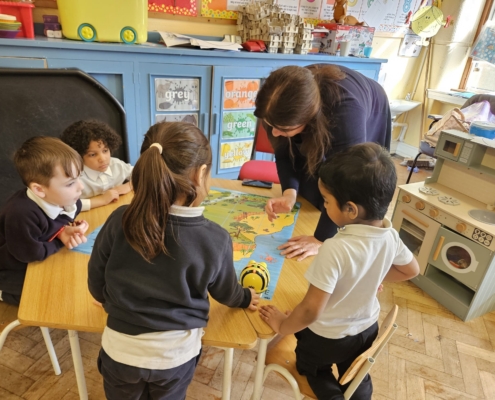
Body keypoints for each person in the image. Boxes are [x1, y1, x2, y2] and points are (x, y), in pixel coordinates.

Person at [88, 122, 260, 400]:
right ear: (200, 174)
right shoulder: (216, 239)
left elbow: (96, 277)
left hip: (119, 351)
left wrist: (106, 299)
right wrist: (244, 297)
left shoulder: (119, 219)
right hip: (175, 358)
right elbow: (226, 291)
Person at [259, 143, 419, 400]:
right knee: (355, 374)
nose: (324, 206)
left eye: (326, 201)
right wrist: (371, 277)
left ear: (351, 209)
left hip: (326, 340)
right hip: (367, 330)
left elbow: (310, 311)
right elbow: (411, 270)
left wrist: (283, 325)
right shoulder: (390, 236)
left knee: (313, 369)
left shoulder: (334, 249)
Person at [254, 64, 391, 260]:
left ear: (308, 117)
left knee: (348, 186)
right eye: (270, 125)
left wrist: (321, 239)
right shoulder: (277, 105)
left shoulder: (346, 113)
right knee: (310, 186)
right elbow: (284, 152)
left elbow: (344, 179)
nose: (274, 133)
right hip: (318, 108)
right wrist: (289, 193)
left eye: (283, 128)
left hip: (368, 106)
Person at [0, 137, 88, 306]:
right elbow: (31, 254)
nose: (81, 187)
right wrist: (60, 241)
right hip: (10, 265)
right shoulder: (20, 214)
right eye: (70, 183)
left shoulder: (69, 202)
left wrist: (63, 231)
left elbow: (54, 224)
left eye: (79, 177)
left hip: (30, 249)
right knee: (38, 296)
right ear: (39, 190)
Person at [60, 120, 133, 211]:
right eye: (93, 155)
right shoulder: (74, 177)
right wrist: (102, 200)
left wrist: (129, 186)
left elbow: (142, 173)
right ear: (79, 156)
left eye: (105, 151)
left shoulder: (116, 165)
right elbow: (66, 205)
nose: (103, 159)